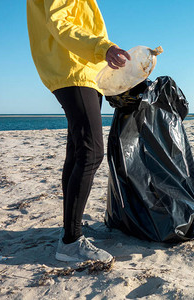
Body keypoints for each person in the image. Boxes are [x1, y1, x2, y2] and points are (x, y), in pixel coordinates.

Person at [27, 0, 130, 263]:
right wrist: (103, 48)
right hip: (73, 71)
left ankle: (70, 231)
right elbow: (60, 23)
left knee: (77, 152)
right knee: (92, 152)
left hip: (85, 72)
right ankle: (71, 242)